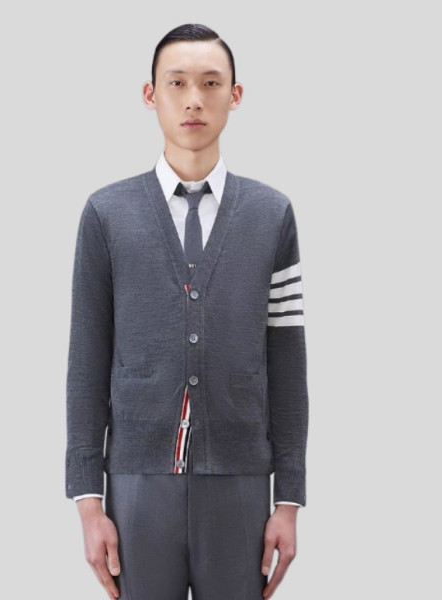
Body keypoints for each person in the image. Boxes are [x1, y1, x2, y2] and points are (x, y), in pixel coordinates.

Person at [65, 23, 309, 600]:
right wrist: (89, 501)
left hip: (242, 482)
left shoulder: (271, 215)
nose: (194, 99)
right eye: (176, 83)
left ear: (235, 94)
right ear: (150, 94)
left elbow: (287, 361)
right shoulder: (106, 214)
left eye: (210, 83)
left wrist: (289, 498)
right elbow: (87, 359)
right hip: (137, 483)